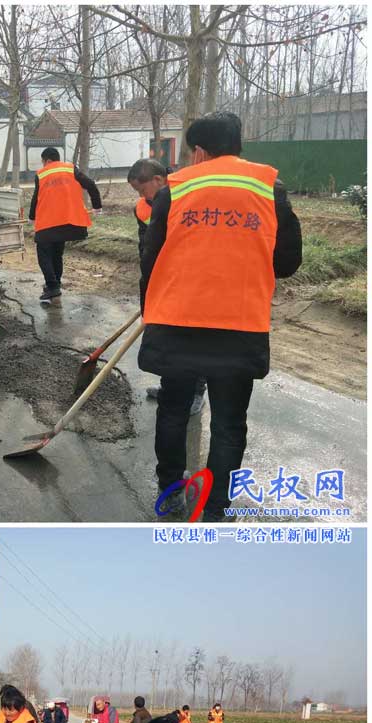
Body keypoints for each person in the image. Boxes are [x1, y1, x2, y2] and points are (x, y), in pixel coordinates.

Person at [139, 112, 302, 521]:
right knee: (230, 423)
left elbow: (150, 260)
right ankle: (215, 509)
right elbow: (286, 263)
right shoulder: (270, 190)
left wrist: (150, 313)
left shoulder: (174, 189)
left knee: (174, 411)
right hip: (239, 325)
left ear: (199, 151)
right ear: (238, 146)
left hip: (178, 322)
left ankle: (171, 494)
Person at [128, 159, 206, 416]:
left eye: (142, 190)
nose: (141, 197)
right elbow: (146, 249)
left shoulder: (187, 193)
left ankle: (196, 393)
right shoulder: (143, 208)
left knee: (193, 343)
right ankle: (170, 388)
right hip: (165, 282)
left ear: (158, 180)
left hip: (191, 281)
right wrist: (148, 295)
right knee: (168, 343)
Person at [28, 147, 102, 305]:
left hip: (48, 222)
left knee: (44, 254)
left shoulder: (41, 174)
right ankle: (55, 285)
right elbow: (91, 185)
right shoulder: (71, 169)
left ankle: (53, 286)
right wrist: (97, 206)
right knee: (56, 254)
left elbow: (36, 198)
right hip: (68, 221)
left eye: (43, 162)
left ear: (47, 160)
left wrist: (31, 217)